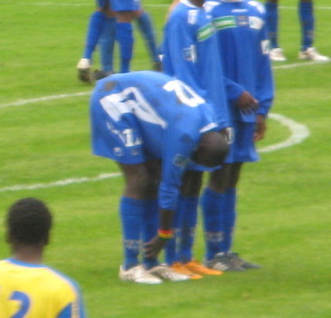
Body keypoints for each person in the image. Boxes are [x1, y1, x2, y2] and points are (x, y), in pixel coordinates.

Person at [90, 70, 230, 285]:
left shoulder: (208, 123)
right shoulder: (185, 134)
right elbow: (170, 186)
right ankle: (129, 265)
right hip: (113, 99)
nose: (194, 163)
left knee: (153, 178)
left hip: (142, 104)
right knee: (140, 179)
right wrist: (164, 234)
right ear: (199, 147)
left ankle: (152, 262)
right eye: (197, 159)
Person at [159, 0, 236, 279]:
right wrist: (206, 120)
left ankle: (187, 256)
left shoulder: (204, 14)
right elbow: (185, 77)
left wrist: (222, 117)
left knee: (194, 184)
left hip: (212, 115)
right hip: (192, 119)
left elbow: (211, 73)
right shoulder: (182, 18)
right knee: (184, 183)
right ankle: (173, 258)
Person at [202, 0, 274, 271]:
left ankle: (227, 250)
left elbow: (262, 63)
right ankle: (213, 252)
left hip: (247, 110)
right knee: (218, 177)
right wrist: (234, 91)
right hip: (221, 108)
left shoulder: (257, 11)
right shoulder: (207, 12)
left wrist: (263, 109)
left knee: (233, 178)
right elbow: (206, 64)